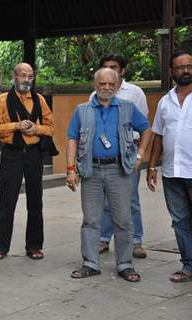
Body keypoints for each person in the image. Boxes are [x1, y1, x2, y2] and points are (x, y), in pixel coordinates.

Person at [66, 68, 151, 282]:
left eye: (111, 84)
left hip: (119, 170)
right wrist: (70, 169)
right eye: (102, 84)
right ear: (95, 85)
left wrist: (140, 156)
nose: (106, 87)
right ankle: (90, 263)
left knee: (123, 219)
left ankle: (125, 264)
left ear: (117, 85)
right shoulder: (82, 110)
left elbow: (147, 129)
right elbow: (72, 139)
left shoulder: (128, 108)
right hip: (90, 171)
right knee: (91, 220)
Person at [0, 63, 54, 260]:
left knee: (35, 201)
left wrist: (36, 129)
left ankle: (34, 246)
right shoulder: (2, 100)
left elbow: (50, 128)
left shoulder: (39, 99)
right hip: (12, 154)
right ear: (14, 76)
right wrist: (16, 125)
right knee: (7, 201)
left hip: (34, 153)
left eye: (30, 76)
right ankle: (1, 247)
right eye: (23, 76)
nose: (26, 80)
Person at [92, 54, 149, 259]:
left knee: (130, 199)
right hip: (104, 156)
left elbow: (144, 127)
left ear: (122, 70)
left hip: (128, 153)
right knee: (106, 200)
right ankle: (104, 239)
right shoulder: (94, 94)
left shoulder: (135, 93)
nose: (111, 70)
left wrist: (139, 155)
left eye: (114, 67)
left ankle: (136, 241)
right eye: (106, 67)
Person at [147, 51, 192, 283]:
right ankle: (188, 265)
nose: (185, 70)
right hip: (172, 173)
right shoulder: (165, 101)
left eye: (189, 66)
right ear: (171, 72)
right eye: (180, 67)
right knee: (180, 220)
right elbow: (158, 136)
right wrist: (152, 166)